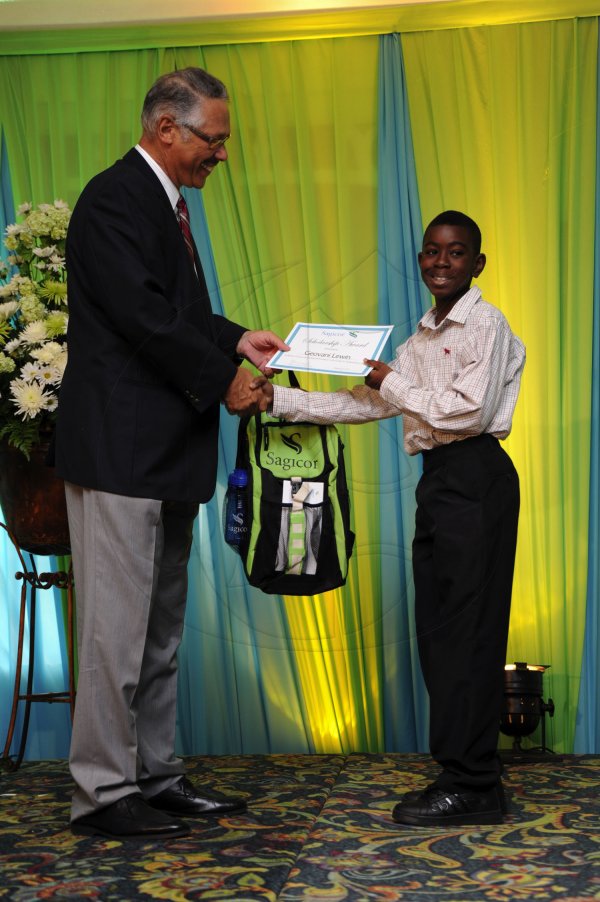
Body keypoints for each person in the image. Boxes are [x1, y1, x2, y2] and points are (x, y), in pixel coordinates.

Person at [53, 67, 288, 840]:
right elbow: (141, 318)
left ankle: (153, 776)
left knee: (158, 634)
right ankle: (103, 793)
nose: (222, 153)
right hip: (122, 456)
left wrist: (233, 338)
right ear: (166, 129)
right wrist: (224, 379)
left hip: (165, 454)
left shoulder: (166, 202)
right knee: (114, 635)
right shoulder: (114, 198)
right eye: (213, 139)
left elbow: (177, 311)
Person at [257, 211, 526, 827]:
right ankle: (461, 772)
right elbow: (363, 403)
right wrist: (278, 397)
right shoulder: (419, 339)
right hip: (440, 484)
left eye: (456, 253)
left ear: (477, 264)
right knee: (438, 630)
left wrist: (390, 379)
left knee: (469, 632)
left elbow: (465, 413)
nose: (440, 262)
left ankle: (475, 782)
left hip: (477, 476)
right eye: (432, 251)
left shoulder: (486, 323)